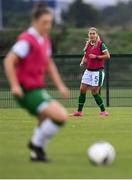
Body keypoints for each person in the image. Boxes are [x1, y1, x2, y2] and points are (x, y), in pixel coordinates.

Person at [4, 3, 69, 162]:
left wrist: (60, 85)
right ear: (34, 21)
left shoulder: (44, 39)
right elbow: (8, 61)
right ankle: (35, 144)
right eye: (44, 22)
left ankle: (36, 154)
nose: (48, 26)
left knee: (45, 120)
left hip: (36, 88)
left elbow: (49, 63)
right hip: (27, 90)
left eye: (50, 22)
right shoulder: (27, 40)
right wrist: (14, 85)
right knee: (60, 116)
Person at [73, 27, 110, 117]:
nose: (92, 35)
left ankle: (103, 111)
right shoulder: (88, 44)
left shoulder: (101, 44)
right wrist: (82, 61)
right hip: (88, 71)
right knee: (82, 89)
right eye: (90, 34)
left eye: (93, 33)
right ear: (88, 35)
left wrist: (96, 56)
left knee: (94, 91)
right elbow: (85, 56)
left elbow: (108, 56)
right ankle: (79, 112)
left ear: (97, 35)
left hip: (98, 72)